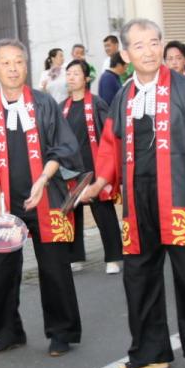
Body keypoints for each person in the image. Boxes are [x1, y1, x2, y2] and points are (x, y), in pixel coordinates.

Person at [81, 18, 185, 368]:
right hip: (138, 200)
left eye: (155, 42)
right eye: (139, 45)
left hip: (182, 195)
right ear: (125, 53)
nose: (149, 51)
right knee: (138, 276)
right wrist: (99, 182)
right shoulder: (124, 95)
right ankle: (150, 350)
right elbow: (110, 144)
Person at [0, 38, 84, 357]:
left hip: (46, 196)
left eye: (18, 61)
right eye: (5, 62)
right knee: (2, 269)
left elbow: (64, 146)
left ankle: (61, 332)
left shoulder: (43, 103)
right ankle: (10, 331)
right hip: (5, 203)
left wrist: (44, 178)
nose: (12, 68)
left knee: (55, 268)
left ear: (26, 65)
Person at [62, 59, 123, 274]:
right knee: (72, 213)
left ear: (86, 79)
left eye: (76, 73)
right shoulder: (63, 107)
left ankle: (114, 257)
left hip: (95, 167)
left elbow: (109, 135)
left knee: (103, 213)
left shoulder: (97, 104)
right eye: (68, 73)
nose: (71, 77)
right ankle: (75, 256)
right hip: (71, 170)